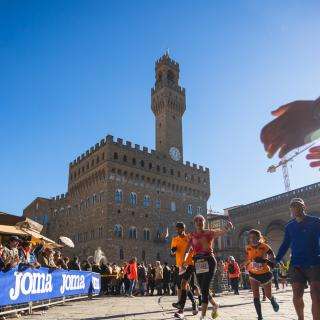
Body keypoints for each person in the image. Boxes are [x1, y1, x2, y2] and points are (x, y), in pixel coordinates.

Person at [275, 198, 320, 320]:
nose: (295, 208)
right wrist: (276, 259)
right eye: (293, 206)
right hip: (297, 265)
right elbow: (285, 244)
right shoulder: (290, 226)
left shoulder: (316, 222)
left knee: (316, 296)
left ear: (304, 207)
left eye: (298, 206)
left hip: (314, 263)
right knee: (296, 296)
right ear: (291, 209)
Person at [185, 215, 233, 320]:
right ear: (194, 223)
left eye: (201, 220)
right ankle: (215, 305)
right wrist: (184, 260)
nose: (199, 222)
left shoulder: (209, 232)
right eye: (196, 220)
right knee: (202, 289)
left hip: (209, 261)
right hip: (197, 262)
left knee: (205, 287)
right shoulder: (192, 235)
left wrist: (227, 227)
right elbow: (187, 249)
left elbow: (221, 232)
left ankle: (203, 316)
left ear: (204, 222)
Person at [245, 229, 279, 320]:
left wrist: (265, 260)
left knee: (268, 295)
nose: (252, 239)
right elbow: (247, 259)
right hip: (253, 274)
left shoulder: (265, 246)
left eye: (254, 237)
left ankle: (272, 300)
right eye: (250, 237)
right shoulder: (247, 247)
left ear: (259, 238)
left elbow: (273, 258)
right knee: (256, 296)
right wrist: (248, 264)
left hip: (265, 274)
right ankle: (260, 317)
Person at [170, 222, 198, 319]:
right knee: (185, 286)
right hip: (180, 266)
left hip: (189, 264)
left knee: (183, 284)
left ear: (183, 229)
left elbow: (193, 250)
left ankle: (181, 308)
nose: (178, 230)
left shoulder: (189, 238)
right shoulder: (174, 239)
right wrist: (173, 250)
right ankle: (194, 302)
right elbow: (172, 251)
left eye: (179, 229)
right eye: (177, 229)